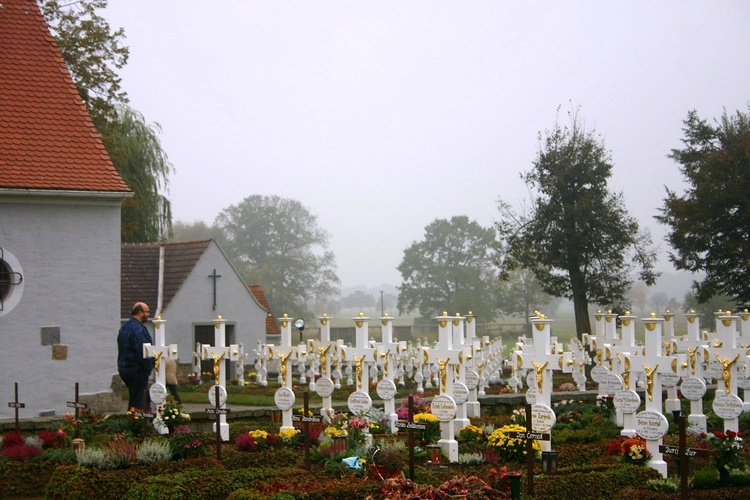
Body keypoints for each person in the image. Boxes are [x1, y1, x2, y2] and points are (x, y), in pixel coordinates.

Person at [118, 302, 154, 410]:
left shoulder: (124, 328)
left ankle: (137, 419)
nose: (148, 314)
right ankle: (138, 423)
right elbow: (144, 350)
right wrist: (148, 367)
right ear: (140, 312)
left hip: (124, 368)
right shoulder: (138, 329)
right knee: (139, 402)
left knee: (136, 398)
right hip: (137, 369)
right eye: (147, 312)